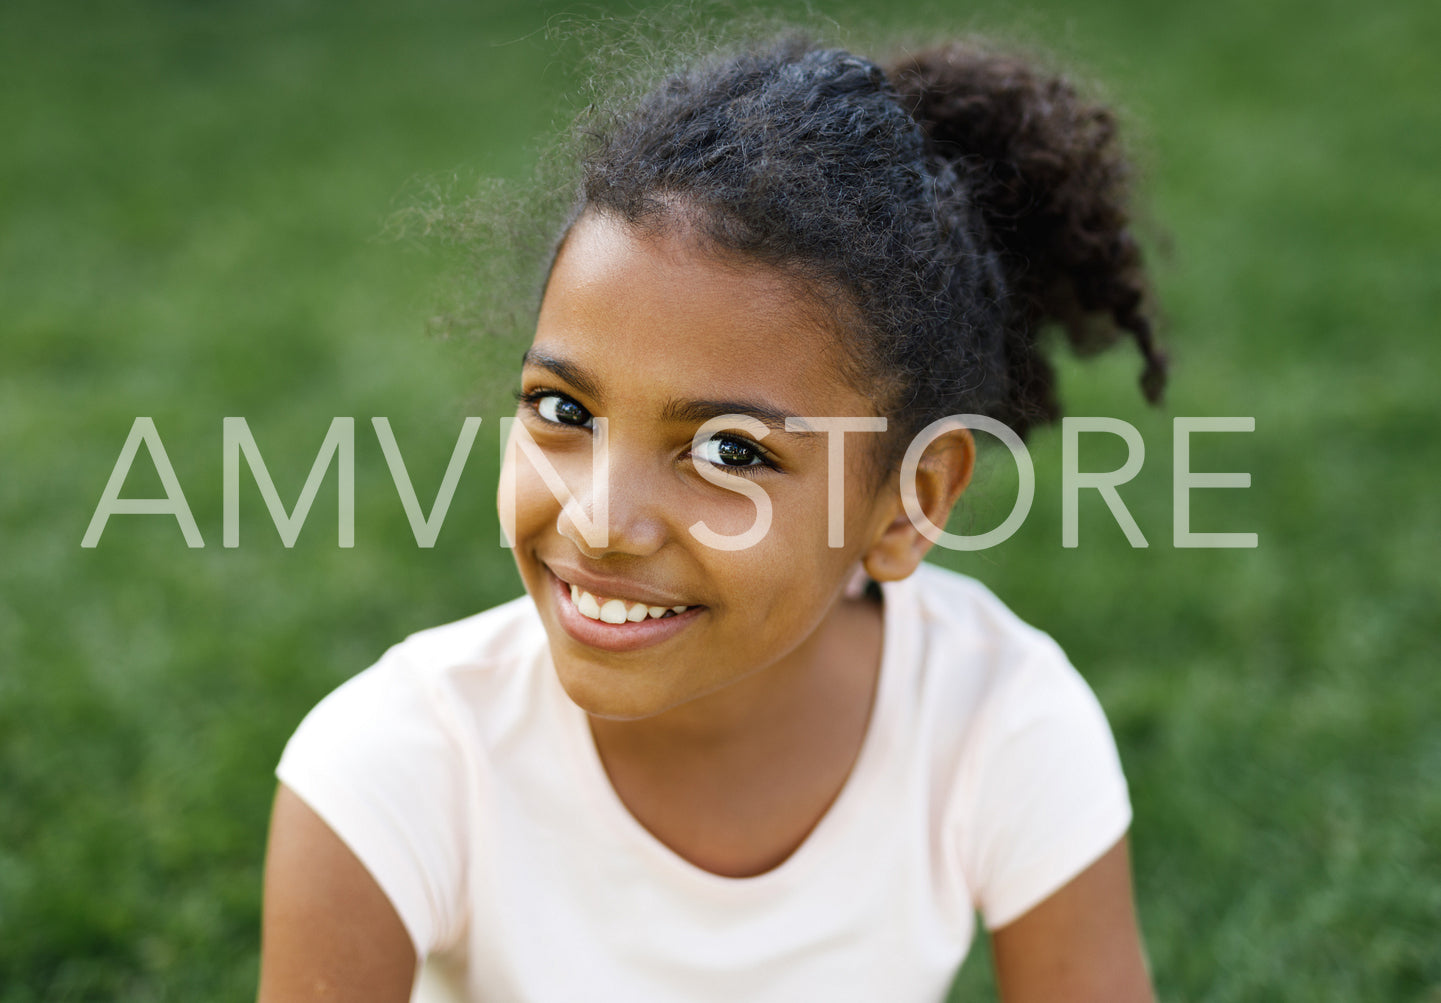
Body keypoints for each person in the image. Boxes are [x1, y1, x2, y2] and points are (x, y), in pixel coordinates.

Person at [257, 33, 1167, 1003]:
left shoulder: (996, 719)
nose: (602, 522)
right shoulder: (395, 767)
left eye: (730, 453)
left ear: (909, 503)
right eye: (564, 411)